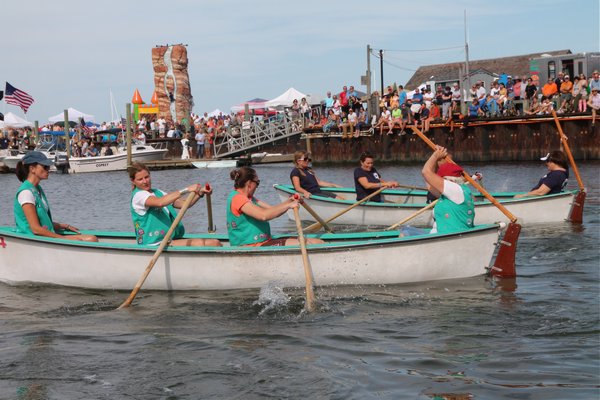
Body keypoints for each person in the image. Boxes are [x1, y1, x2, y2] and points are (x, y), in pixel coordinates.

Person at [227, 166, 325, 247]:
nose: (257, 186)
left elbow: (272, 210)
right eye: (257, 183)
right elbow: (263, 215)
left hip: (263, 242)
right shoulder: (238, 198)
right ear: (249, 183)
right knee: (308, 243)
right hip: (252, 246)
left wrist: (289, 201)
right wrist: (288, 205)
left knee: (317, 241)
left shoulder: (250, 198)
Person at [128, 162, 221, 246]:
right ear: (133, 181)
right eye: (140, 179)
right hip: (154, 243)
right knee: (207, 243)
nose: (145, 181)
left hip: (168, 240)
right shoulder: (138, 196)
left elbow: (184, 204)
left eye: (147, 177)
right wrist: (187, 189)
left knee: (215, 242)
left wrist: (200, 193)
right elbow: (160, 202)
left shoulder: (158, 192)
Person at [14, 151, 98, 242]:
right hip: (33, 240)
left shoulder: (37, 189)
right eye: (45, 167)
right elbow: (35, 229)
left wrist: (64, 226)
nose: (48, 169)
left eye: (48, 167)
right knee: (91, 239)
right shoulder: (26, 192)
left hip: (42, 238)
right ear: (32, 169)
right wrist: (62, 239)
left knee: (92, 238)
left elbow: (43, 222)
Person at [422, 146, 475, 234]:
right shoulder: (457, 191)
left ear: (449, 180)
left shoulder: (454, 189)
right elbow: (429, 184)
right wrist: (435, 156)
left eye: (441, 179)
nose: (437, 181)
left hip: (445, 235)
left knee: (403, 234)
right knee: (406, 230)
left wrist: (435, 156)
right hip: (440, 233)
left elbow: (425, 172)